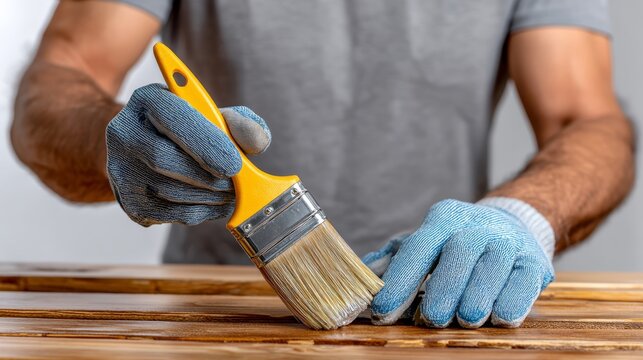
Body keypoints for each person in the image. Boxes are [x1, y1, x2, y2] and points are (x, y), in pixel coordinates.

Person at [11, 0, 634, 329]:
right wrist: (112, 142)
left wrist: (523, 217)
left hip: (437, 317)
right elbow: (65, 71)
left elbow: (585, 119)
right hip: (221, 318)